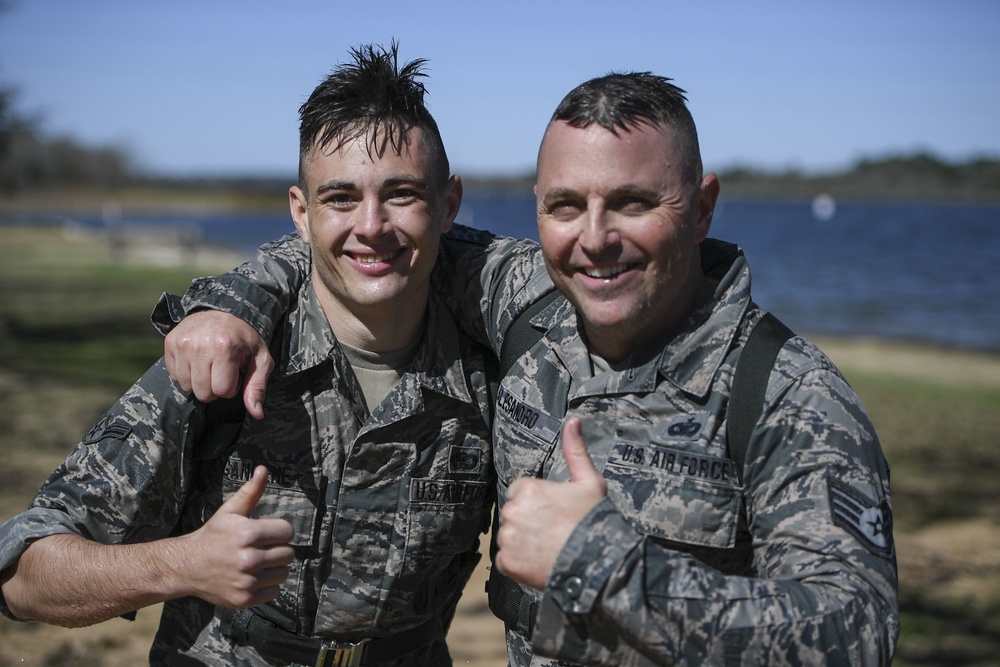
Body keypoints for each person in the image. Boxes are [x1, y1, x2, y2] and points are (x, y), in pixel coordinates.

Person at [159, 73, 900, 665]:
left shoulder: (785, 393)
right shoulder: (526, 300)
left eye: (635, 202)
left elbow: (858, 633)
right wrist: (231, 305)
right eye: (566, 205)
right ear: (537, 208)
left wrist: (606, 561)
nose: (596, 239)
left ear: (702, 208)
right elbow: (365, 241)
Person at [0, 43, 497, 666]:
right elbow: (23, 574)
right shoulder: (220, 361)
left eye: (401, 194)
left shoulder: (492, 370)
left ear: (448, 203)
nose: (371, 225)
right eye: (340, 198)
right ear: (301, 212)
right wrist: (182, 564)